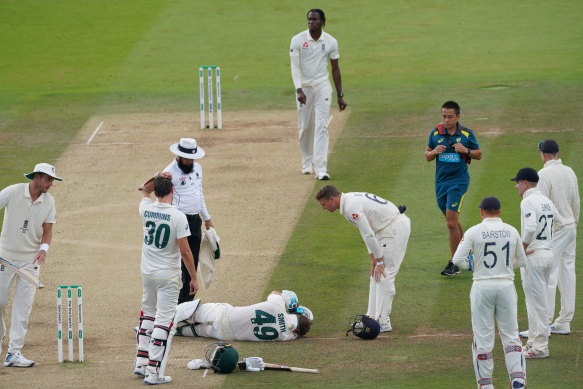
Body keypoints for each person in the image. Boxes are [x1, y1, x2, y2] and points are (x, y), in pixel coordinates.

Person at [452, 196, 527, 389]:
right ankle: (518, 380)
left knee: (483, 338)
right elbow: (523, 261)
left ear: (482, 212)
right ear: (499, 212)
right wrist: (506, 265)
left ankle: (486, 385)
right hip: (506, 287)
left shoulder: (473, 231)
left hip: (482, 287)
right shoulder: (511, 231)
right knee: (511, 336)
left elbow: (457, 260)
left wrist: (473, 265)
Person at [316, 185, 410, 332]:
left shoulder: (350, 207)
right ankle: (370, 319)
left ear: (332, 199)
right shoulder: (348, 202)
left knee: (386, 274)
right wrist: (373, 256)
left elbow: (368, 233)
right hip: (385, 229)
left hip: (394, 228)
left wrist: (380, 261)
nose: (323, 208)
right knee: (375, 274)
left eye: (324, 204)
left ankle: (383, 322)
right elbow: (364, 230)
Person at [134, 172, 198, 384]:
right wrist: (194, 278)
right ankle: (153, 373)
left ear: (157, 191)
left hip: (148, 274)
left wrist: (156, 175)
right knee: (164, 322)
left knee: (148, 316)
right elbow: (186, 252)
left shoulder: (146, 209)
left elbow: (143, 189)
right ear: (172, 191)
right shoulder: (177, 216)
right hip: (168, 277)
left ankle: (141, 364)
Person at [0, 163, 62, 368]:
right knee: (0, 300)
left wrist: (43, 250)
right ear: (36, 177)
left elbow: (48, 230)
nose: (51, 184)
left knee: (23, 306)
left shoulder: (49, 201)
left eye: (52, 180)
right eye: (48, 179)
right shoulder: (13, 191)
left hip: (31, 261)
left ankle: (14, 352)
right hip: (5, 257)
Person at [142, 138, 213, 305]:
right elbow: (148, 190)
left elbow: (199, 193)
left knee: (192, 259)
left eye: (191, 157)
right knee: (179, 259)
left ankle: (186, 302)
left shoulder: (198, 169)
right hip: (179, 220)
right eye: (186, 157)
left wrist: (207, 218)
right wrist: (157, 176)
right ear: (179, 156)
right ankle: (173, 300)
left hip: (195, 219)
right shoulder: (169, 171)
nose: (189, 161)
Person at [425, 101, 482, 276]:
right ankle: (467, 254)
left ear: (458, 116)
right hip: (440, 183)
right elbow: (427, 155)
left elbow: (478, 154)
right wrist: (434, 152)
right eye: (444, 116)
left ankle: (454, 262)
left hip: (458, 182)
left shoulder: (466, 134)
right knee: (454, 222)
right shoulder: (435, 133)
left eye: (450, 117)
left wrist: (465, 150)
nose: (446, 120)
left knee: (450, 222)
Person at [511, 167, 563, 359]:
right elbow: (560, 222)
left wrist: (522, 248)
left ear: (525, 183)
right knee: (534, 302)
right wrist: (546, 242)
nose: (516, 186)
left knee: (538, 303)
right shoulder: (546, 201)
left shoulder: (528, 201)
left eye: (517, 182)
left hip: (534, 256)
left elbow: (531, 227)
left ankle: (540, 348)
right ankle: (533, 342)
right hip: (547, 254)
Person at [290, 8, 347, 180]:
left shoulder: (330, 41)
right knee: (305, 127)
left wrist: (340, 95)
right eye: (308, 19)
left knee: (321, 126)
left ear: (322, 21)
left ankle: (321, 168)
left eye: (314, 19)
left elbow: (335, 69)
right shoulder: (298, 40)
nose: (310, 22)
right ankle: (307, 162)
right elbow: (295, 67)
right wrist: (299, 89)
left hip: (322, 86)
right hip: (304, 87)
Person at [536, 140, 579, 335]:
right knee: (568, 272)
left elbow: (541, 207)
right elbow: (576, 201)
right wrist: (573, 222)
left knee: (549, 274)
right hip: (570, 227)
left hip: (555, 229)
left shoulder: (543, 174)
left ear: (543, 155)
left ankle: (543, 323)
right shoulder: (569, 171)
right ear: (557, 152)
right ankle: (564, 321)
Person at [174, 291, 311, 341]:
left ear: (296, 317)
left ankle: (160, 321)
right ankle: (173, 331)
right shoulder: (284, 336)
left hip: (225, 315)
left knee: (194, 312)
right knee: (199, 331)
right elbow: (295, 335)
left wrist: (290, 307)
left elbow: (277, 293)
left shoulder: (278, 307)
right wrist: (298, 333)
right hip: (227, 336)